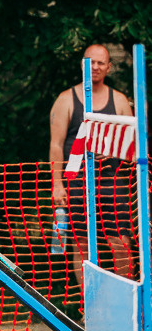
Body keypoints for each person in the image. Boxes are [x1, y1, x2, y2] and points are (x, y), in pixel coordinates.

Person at [49, 43, 134, 290]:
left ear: (108, 67)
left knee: (121, 243)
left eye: (100, 63)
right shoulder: (66, 100)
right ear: (82, 64)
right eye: (90, 61)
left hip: (112, 183)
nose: (95, 67)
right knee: (81, 244)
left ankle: (124, 303)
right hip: (76, 183)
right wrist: (57, 185)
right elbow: (56, 145)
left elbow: (131, 148)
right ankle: (90, 308)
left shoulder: (119, 100)